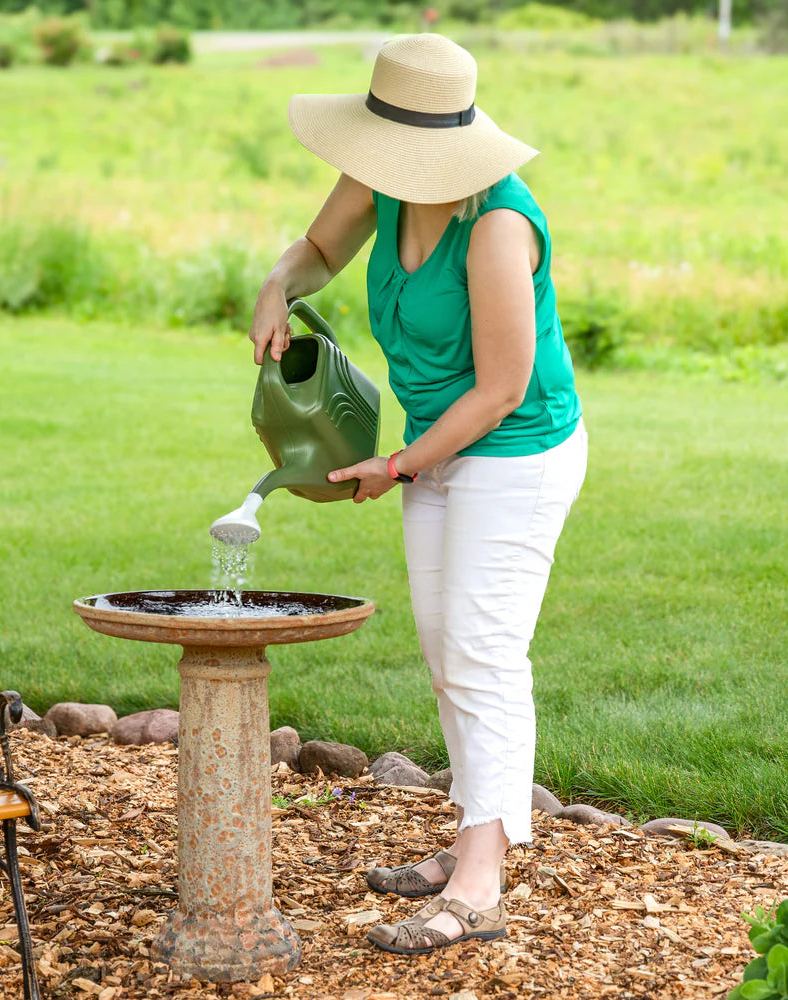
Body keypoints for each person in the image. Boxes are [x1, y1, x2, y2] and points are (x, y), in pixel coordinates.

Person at [249, 33, 587, 956]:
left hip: (516, 452)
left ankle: (481, 886)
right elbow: (321, 246)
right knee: (447, 654)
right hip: (440, 449)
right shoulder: (386, 179)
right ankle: (471, 835)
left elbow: (502, 389)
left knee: (484, 651)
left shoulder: (499, 226)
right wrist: (280, 281)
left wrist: (399, 464)